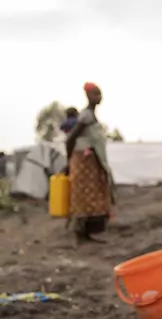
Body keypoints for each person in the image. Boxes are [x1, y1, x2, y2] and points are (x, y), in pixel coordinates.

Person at [65, 83, 115, 244]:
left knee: (92, 195)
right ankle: (79, 235)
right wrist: (70, 160)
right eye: (95, 94)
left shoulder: (91, 115)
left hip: (90, 161)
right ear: (88, 96)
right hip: (83, 161)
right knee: (83, 197)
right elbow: (70, 139)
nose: (99, 97)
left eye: (100, 94)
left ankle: (86, 234)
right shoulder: (85, 116)